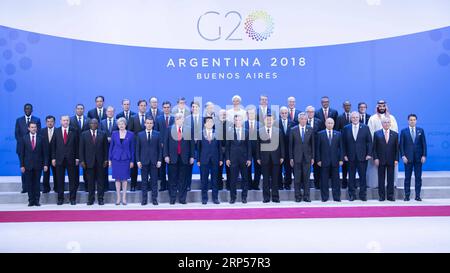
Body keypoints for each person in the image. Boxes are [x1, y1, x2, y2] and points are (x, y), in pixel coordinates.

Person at [367, 100, 399, 188]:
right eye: (380, 106)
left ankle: (392, 185)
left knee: (391, 172)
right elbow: (370, 134)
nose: (381, 108)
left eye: (383, 106)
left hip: (390, 151)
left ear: (386, 107)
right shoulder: (372, 118)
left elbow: (395, 133)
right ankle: (376, 184)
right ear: (377, 107)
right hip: (377, 150)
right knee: (377, 171)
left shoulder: (392, 118)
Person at [164, 113, 195, 205]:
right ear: (175, 119)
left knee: (183, 179)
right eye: (177, 118)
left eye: (180, 118)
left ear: (183, 119)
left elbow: (192, 144)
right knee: (172, 179)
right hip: (172, 158)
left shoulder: (189, 129)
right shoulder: (169, 129)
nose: (179, 119)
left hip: (185, 158)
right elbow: (165, 143)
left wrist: (192, 156)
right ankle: (172, 198)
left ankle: (182, 198)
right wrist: (166, 155)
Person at [342, 112, 372, 201]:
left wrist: (369, 154)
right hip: (350, 157)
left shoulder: (365, 128)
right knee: (351, 176)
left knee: (362, 176)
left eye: (356, 117)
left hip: (362, 157)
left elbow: (369, 142)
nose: (355, 118)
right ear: (351, 118)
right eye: (353, 117)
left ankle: (363, 195)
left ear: (359, 118)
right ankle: (352, 195)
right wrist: (344, 155)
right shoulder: (346, 128)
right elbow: (343, 143)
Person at [79, 119, 109, 205]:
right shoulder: (84, 134)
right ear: (89, 124)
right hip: (88, 162)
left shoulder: (103, 134)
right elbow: (81, 149)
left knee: (100, 181)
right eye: (91, 123)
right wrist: (82, 161)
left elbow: (106, 149)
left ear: (98, 124)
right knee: (90, 182)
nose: (93, 124)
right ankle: (90, 199)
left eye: (95, 123)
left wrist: (106, 159)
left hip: (100, 162)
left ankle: (100, 199)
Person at [52, 115, 79, 205]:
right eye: (64, 120)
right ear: (60, 121)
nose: (66, 122)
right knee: (60, 180)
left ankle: (72, 199)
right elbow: (53, 146)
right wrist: (53, 158)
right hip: (59, 159)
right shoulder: (56, 131)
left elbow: (77, 146)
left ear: (69, 121)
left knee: (72, 180)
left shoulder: (74, 131)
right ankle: (60, 199)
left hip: (71, 159)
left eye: (67, 120)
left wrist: (77, 157)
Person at [19, 121, 48, 206]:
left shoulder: (41, 138)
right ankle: (31, 201)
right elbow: (22, 153)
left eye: (35, 127)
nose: (33, 129)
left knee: (37, 183)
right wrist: (22, 165)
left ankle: (36, 200)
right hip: (27, 165)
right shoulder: (24, 138)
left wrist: (45, 164)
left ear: (37, 128)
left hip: (38, 165)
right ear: (28, 128)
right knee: (29, 183)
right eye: (32, 127)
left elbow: (45, 153)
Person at [257, 114, 284, 203]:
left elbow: (281, 145)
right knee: (265, 179)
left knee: (275, 179)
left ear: (273, 121)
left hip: (276, 158)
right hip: (264, 159)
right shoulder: (259, 131)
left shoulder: (278, 131)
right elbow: (257, 146)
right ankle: (266, 197)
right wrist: (258, 157)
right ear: (264, 121)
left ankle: (275, 197)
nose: (269, 121)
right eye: (267, 120)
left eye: (270, 120)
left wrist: (282, 156)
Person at [400, 114, 427, 201]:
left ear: (416, 121)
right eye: (411, 120)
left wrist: (424, 155)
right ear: (408, 121)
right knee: (407, 178)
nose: (412, 121)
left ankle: (417, 196)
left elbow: (424, 144)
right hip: (408, 159)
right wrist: (403, 156)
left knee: (418, 178)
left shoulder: (420, 131)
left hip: (418, 158)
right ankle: (407, 196)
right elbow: (401, 145)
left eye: (414, 120)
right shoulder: (404, 131)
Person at [15, 103, 41, 193]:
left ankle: (34, 188)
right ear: (24, 110)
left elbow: (39, 134)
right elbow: (17, 134)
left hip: (34, 149)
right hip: (22, 149)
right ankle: (25, 187)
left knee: (35, 170)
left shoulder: (37, 120)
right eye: (26, 109)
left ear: (32, 110)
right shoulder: (19, 120)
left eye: (29, 109)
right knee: (24, 168)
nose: (27, 110)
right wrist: (24, 143)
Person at [225, 114, 252, 204]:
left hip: (244, 159)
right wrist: (227, 158)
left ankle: (244, 197)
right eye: (236, 120)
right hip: (233, 159)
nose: (238, 122)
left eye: (239, 120)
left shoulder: (247, 131)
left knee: (245, 179)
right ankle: (233, 198)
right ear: (234, 121)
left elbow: (249, 146)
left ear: (242, 121)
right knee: (233, 179)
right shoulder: (229, 132)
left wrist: (249, 159)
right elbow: (227, 147)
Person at [108, 118, 135, 205]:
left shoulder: (131, 134)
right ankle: (118, 198)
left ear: (125, 124)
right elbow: (111, 147)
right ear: (117, 125)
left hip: (126, 159)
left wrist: (132, 161)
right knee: (117, 179)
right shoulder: (114, 134)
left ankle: (124, 198)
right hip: (116, 159)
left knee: (124, 179)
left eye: (122, 124)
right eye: (119, 124)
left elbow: (132, 149)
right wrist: (110, 159)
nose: (121, 125)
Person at [316, 118, 344, 202]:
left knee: (336, 181)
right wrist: (318, 160)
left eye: (331, 123)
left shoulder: (338, 134)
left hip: (335, 161)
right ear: (325, 123)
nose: (330, 124)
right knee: (324, 181)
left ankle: (337, 197)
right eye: (328, 123)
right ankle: (324, 197)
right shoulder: (320, 134)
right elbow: (318, 148)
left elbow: (341, 148)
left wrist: (341, 159)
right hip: (324, 161)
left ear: (334, 124)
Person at [196, 117, 223, 204]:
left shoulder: (217, 134)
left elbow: (220, 148)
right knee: (204, 180)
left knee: (215, 180)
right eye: (208, 122)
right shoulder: (200, 134)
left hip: (215, 160)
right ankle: (204, 198)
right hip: (204, 160)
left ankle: (215, 198)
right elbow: (198, 148)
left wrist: (221, 159)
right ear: (204, 124)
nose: (210, 123)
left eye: (211, 122)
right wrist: (198, 160)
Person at [136, 117, 162, 205]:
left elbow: (160, 149)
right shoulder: (140, 135)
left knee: (154, 181)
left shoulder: (157, 134)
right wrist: (138, 161)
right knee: (144, 181)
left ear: (153, 124)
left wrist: (159, 160)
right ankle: (144, 199)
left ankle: (154, 199)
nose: (149, 124)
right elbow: (137, 149)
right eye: (147, 123)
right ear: (145, 124)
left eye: (151, 123)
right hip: (143, 162)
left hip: (154, 162)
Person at [289, 112, 315, 202]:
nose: (303, 120)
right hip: (296, 158)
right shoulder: (293, 130)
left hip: (307, 158)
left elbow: (313, 145)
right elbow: (290, 146)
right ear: (299, 119)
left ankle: (307, 196)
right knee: (297, 178)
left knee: (306, 178)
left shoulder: (310, 129)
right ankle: (298, 196)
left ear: (307, 119)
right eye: (302, 119)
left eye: (305, 119)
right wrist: (291, 158)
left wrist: (313, 157)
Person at [372, 117, 399, 201]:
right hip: (380, 160)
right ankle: (381, 196)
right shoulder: (377, 134)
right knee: (381, 179)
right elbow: (374, 148)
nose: (386, 124)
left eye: (388, 122)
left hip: (391, 160)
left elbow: (397, 149)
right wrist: (375, 158)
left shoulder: (395, 134)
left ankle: (390, 196)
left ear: (390, 123)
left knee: (391, 179)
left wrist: (396, 159)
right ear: (382, 124)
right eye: (385, 122)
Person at [128, 99, 149, 191]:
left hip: (147, 146)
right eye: (141, 105)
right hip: (135, 145)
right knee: (134, 167)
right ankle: (133, 185)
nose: (143, 107)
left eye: (144, 105)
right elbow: (130, 132)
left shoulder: (149, 117)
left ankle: (147, 185)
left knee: (147, 166)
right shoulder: (133, 117)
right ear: (138, 107)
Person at [155, 101, 174, 192]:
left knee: (171, 168)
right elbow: (156, 133)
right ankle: (163, 185)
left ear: (170, 108)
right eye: (165, 107)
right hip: (161, 147)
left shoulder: (174, 119)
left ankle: (171, 185)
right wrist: (160, 143)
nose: (166, 109)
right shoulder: (158, 119)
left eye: (168, 107)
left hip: (172, 148)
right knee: (161, 168)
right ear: (162, 108)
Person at [70, 104, 90, 193]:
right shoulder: (70, 120)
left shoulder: (88, 120)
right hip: (74, 147)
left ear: (84, 110)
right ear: (75, 109)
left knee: (86, 167)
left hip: (86, 148)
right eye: (78, 109)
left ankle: (87, 186)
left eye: (81, 109)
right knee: (74, 169)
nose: (80, 110)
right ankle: (76, 186)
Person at [185, 101, 202, 191]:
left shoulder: (204, 119)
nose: (194, 108)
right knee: (188, 167)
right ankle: (188, 185)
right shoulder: (186, 119)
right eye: (193, 107)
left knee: (203, 167)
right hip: (189, 146)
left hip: (201, 147)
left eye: (196, 107)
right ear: (191, 108)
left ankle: (204, 185)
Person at [100, 106, 118, 191]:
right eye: (108, 111)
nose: (110, 113)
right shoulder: (101, 122)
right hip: (104, 148)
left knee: (117, 168)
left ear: (114, 112)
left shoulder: (117, 122)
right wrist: (106, 138)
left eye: (112, 111)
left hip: (116, 148)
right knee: (104, 168)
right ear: (106, 112)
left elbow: (120, 133)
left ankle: (117, 187)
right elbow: (99, 134)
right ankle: (105, 187)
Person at [306, 105, 323, 189]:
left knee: (317, 168)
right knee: (306, 168)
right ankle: (305, 185)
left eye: (312, 112)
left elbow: (322, 135)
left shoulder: (319, 122)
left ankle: (317, 185)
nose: (310, 113)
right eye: (308, 112)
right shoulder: (302, 121)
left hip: (317, 148)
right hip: (305, 149)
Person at [336, 101, 352, 189]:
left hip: (353, 145)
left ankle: (351, 182)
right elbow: (337, 130)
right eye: (346, 105)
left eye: (349, 105)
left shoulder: (354, 116)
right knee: (344, 165)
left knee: (352, 166)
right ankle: (344, 182)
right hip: (343, 144)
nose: (347, 107)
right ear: (343, 106)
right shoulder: (340, 117)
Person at [245, 107, 261, 190]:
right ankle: (249, 185)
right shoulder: (243, 124)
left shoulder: (260, 124)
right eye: (249, 113)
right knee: (247, 167)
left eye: (252, 114)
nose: (251, 115)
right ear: (247, 115)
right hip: (246, 149)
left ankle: (256, 185)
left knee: (258, 167)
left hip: (257, 149)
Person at [279, 107, 294, 190]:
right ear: (280, 114)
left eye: (285, 113)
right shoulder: (276, 123)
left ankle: (287, 184)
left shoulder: (293, 123)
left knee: (288, 169)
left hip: (289, 150)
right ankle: (279, 185)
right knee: (278, 168)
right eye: (282, 113)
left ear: (288, 114)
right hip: (279, 150)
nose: (284, 114)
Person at [215, 109, 231, 190]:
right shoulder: (215, 124)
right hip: (218, 149)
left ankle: (229, 186)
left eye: (225, 114)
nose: (223, 115)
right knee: (218, 168)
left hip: (229, 149)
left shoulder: (231, 124)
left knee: (229, 169)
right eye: (222, 114)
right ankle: (219, 186)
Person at [41, 115, 56, 193]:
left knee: (56, 173)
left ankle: (56, 187)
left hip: (55, 157)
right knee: (45, 173)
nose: (50, 123)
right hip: (45, 157)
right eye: (48, 121)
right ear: (46, 122)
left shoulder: (58, 131)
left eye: (51, 121)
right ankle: (46, 188)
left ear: (54, 122)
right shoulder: (41, 131)